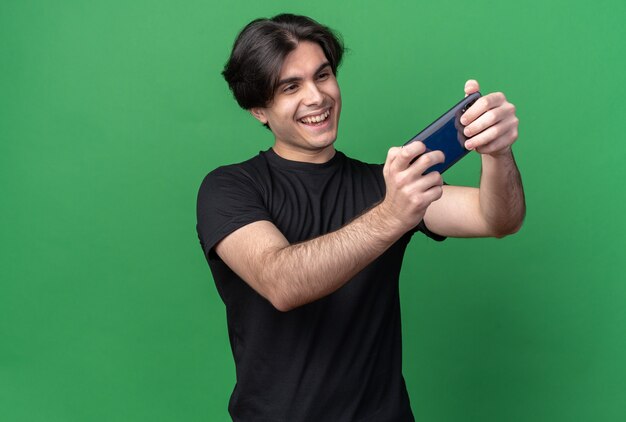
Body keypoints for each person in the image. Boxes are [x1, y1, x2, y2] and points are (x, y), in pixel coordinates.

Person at [196, 13, 525, 422]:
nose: (316, 97)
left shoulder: (388, 184)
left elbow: (497, 219)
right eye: (290, 87)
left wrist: (497, 154)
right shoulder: (229, 188)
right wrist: (391, 215)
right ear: (258, 109)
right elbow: (281, 282)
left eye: (323, 75)